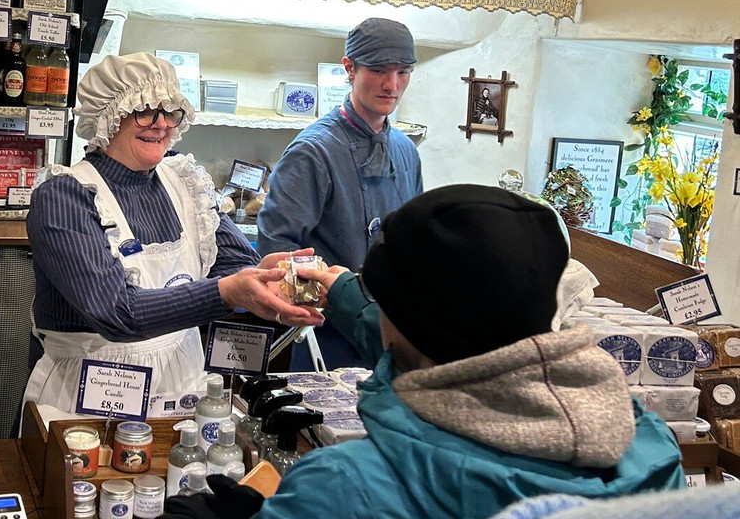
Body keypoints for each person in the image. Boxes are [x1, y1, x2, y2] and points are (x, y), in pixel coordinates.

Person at [253, 185, 685, 519]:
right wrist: (350, 294)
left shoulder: (340, 489)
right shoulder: (648, 444)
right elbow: (441, 343)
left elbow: (419, 344)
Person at [23, 53, 322, 417]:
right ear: (109, 115)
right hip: (88, 395)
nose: (161, 124)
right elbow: (117, 313)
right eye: (146, 110)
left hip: (181, 384)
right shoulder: (65, 196)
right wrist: (228, 290)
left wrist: (267, 277)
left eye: (171, 112)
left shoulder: (183, 180)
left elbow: (232, 264)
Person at [257, 17, 422, 369]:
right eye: (378, 70)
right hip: (328, 339)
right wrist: (331, 298)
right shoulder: (313, 152)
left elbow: (414, 241)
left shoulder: (406, 151)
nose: (392, 84)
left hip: (394, 336)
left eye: (403, 72)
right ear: (349, 67)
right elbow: (278, 250)